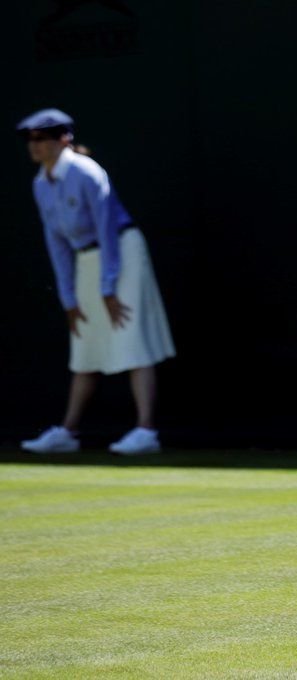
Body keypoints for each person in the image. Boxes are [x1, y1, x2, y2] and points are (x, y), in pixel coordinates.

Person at [17, 108, 176, 456]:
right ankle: (68, 432)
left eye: (42, 138)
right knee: (85, 344)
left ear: (64, 140)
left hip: (122, 250)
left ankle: (146, 430)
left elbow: (106, 227)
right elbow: (55, 243)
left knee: (131, 337)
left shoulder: (87, 172)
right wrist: (68, 299)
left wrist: (108, 287)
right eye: (31, 140)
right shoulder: (40, 184)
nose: (35, 146)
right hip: (86, 260)